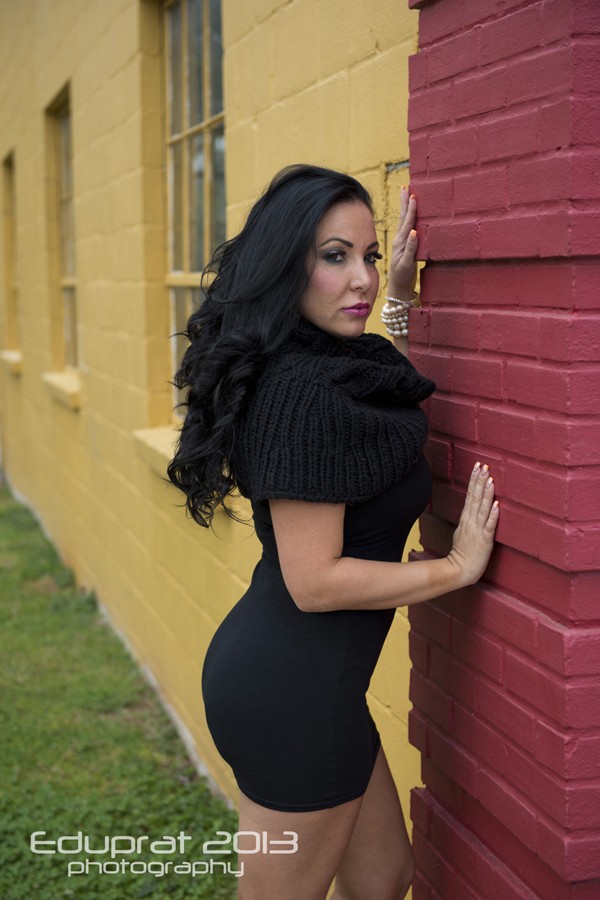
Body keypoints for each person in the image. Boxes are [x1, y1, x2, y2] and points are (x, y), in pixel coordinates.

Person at [167, 165, 499, 900]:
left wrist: (403, 298)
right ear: (288, 266)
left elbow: (383, 422)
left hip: (309, 685)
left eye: (369, 256)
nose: (362, 279)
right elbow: (315, 584)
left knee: (382, 879)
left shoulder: (320, 363)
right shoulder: (302, 393)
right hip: (293, 696)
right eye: (334, 256)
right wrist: (455, 569)